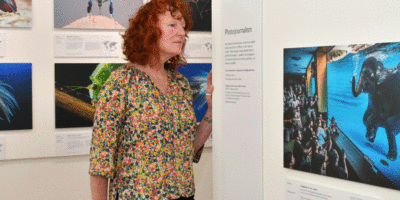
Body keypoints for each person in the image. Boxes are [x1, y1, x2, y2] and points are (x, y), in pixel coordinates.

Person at [89, 0, 213, 199]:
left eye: (183, 26)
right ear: (148, 31)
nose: (182, 32)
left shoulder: (179, 84)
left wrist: (210, 113)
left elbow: (187, 149)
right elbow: (101, 160)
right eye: (172, 25)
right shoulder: (121, 82)